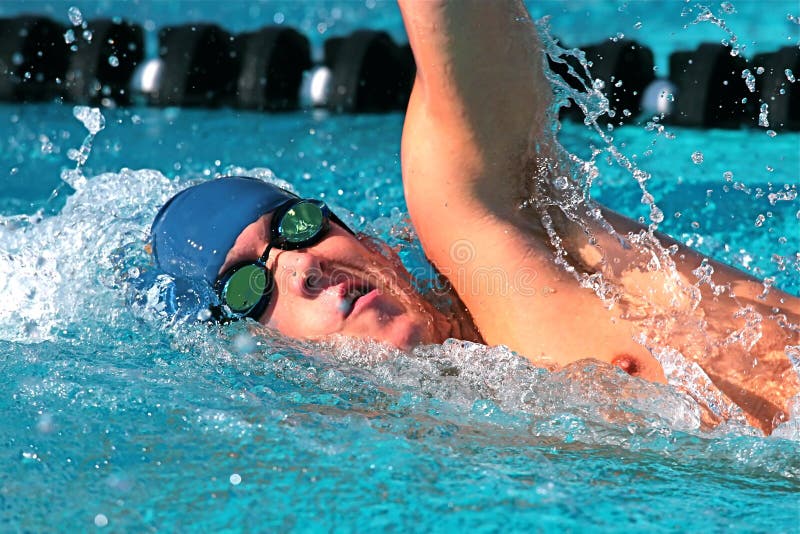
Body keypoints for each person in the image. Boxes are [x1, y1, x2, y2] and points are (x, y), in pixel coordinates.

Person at [149, 0, 800, 434]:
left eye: (298, 226)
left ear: (373, 242)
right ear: (257, 351)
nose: (304, 264)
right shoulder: (455, 440)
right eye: (247, 287)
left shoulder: (502, 234)